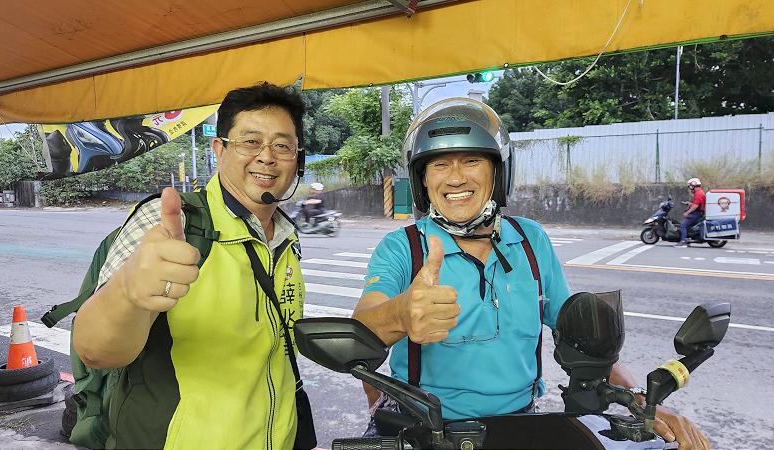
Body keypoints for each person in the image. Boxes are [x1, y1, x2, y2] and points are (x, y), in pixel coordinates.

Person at [353, 98, 710, 449]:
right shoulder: (403, 247)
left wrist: (639, 398)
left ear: (498, 172)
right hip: (426, 430)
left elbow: (578, 336)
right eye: (440, 164)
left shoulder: (530, 240)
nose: (456, 177)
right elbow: (362, 330)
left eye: (472, 161)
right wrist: (401, 314)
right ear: (423, 181)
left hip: (521, 425)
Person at [73, 82, 311, 449]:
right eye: (250, 141)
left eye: (282, 145)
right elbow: (96, 350)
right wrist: (127, 291)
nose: (267, 156)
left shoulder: (285, 237)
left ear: (298, 158)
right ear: (219, 149)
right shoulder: (170, 222)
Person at [676, 178, 706, 247]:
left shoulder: (698, 194)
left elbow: (695, 206)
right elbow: (697, 204)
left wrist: (687, 212)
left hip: (697, 213)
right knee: (688, 226)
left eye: (690, 186)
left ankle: (683, 241)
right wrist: (690, 204)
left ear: (693, 185)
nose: (689, 187)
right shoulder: (700, 192)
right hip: (699, 212)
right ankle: (687, 239)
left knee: (683, 225)